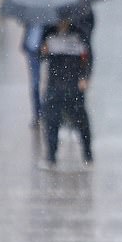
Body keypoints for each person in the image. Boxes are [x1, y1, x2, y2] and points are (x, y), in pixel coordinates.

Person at [41, 18, 93, 166]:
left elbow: (88, 57)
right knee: (51, 121)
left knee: (81, 120)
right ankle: (51, 156)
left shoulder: (79, 34)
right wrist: (43, 51)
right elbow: (42, 56)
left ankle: (87, 154)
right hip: (54, 85)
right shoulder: (48, 33)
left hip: (73, 85)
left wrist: (85, 77)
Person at [22, 22, 45, 128]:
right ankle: (37, 114)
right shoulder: (31, 18)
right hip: (32, 51)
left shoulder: (49, 19)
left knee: (45, 85)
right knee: (35, 84)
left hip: (44, 53)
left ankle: (45, 113)